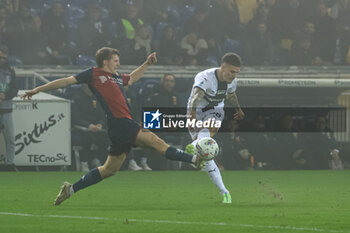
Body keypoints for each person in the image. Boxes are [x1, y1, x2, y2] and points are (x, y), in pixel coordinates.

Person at [22, 47, 204, 205]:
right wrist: (38, 89)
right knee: (156, 141)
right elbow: (66, 81)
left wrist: (147, 63)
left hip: (120, 126)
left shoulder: (116, 77)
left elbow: (131, 79)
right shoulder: (93, 73)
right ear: (105, 61)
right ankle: (194, 159)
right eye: (116, 61)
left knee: (109, 170)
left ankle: (70, 190)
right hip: (120, 123)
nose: (118, 64)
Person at [185, 53, 245, 204]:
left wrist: (238, 109)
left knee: (206, 137)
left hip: (215, 110)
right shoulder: (205, 77)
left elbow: (231, 95)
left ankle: (193, 147)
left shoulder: (232, 81)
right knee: (206, 156)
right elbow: (195, 97)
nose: (234, 75)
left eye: (237, 72)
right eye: (232, 71)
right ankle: (225, 192)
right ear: (223, 67)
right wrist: (192, 114)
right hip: (196, 110)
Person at [0, 45, 18, 171]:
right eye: (0, 56)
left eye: (4, 57)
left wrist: (5, 95)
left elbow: (15, 89)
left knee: (10, 139)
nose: (2, 59)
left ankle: (10, 163)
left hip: (7, 109)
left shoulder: (10, 71)